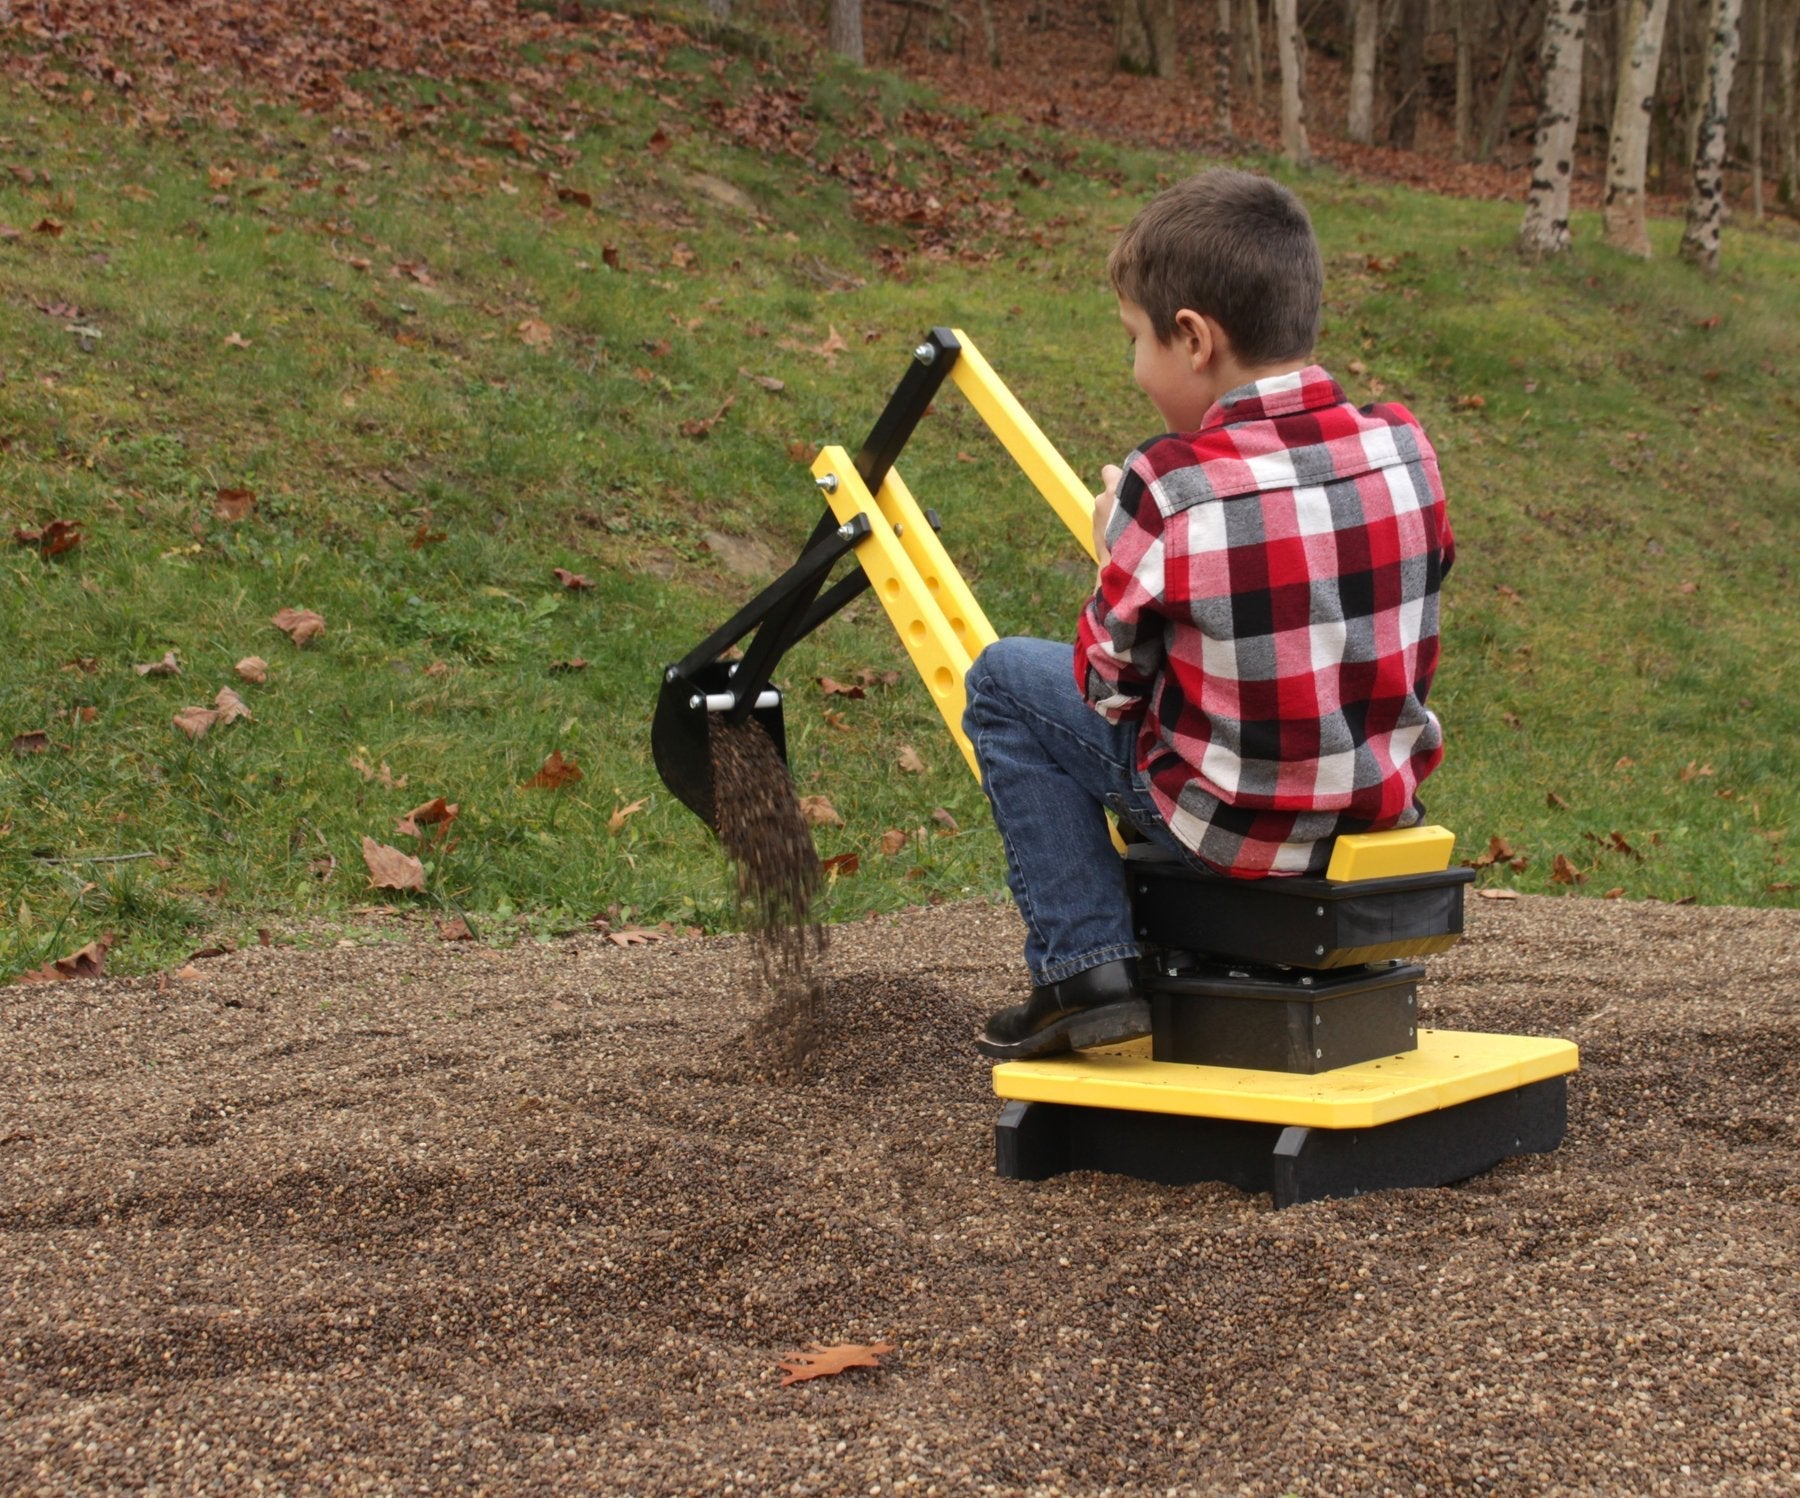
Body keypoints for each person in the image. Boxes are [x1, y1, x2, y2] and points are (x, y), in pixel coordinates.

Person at [963, 168, 1455, 1061]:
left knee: (1002, 683)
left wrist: (1117, 546)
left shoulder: (1170, 486)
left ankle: (1084, 967)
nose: (1134, 369)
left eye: (1135, 340)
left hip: (1235, 827)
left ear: (1192, 338)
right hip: (1377, 809)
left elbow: (1107, 688)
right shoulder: (1403, 448)